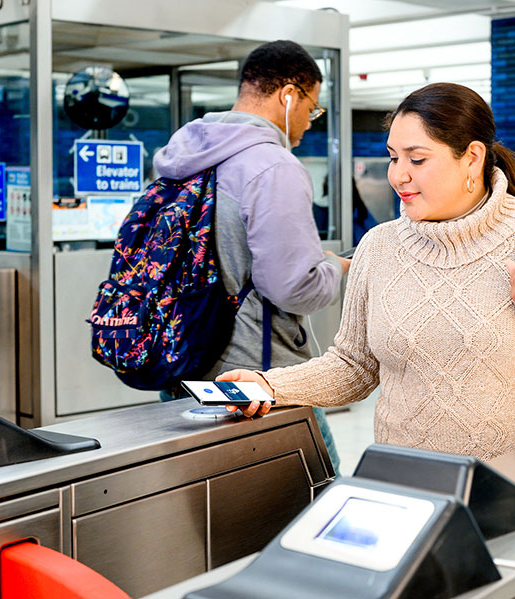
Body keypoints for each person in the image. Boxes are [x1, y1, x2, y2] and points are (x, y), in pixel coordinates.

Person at [217, 82, 515, 462]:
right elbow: (353, 366)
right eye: (392, 157)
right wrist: (270, 386)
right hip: (405, 484)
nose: (398, 175)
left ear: (472, 158)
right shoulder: (379, 246)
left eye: (417, 159)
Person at [152, 40, 350, 471]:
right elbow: (293, 289)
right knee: (318, 494)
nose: (308, 123)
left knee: (212, 509)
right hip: (254, 380)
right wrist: (336, 267)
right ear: (289, 95)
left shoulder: (183, 155)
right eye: (311, 109)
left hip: (182, 357)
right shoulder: (272, 166)